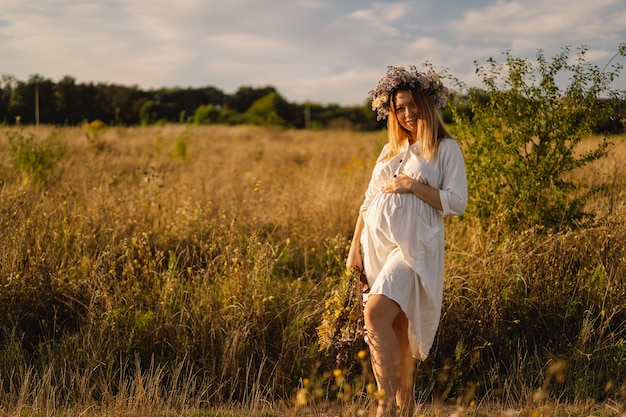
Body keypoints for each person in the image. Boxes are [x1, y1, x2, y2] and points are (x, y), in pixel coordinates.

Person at [346, 65, 467, 416]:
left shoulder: (445, 149)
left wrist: (412, 186)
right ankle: (406, 407)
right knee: (396, 328)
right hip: (378, 248)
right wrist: (354, 248)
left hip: (414, 249)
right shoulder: (389, 150)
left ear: (427, 105)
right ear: (392, 112)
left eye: (413, 105)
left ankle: (383, 409)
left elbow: (456, 202)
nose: (408, 113)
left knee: (374, 314)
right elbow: (368, 203)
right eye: (400, 107)